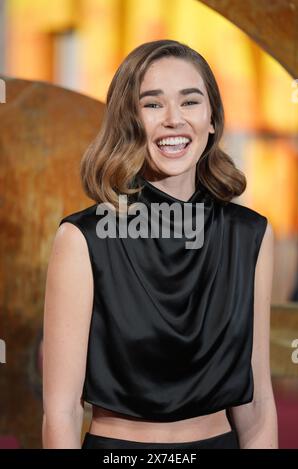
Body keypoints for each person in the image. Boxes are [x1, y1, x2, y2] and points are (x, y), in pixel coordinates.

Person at [42, 39, 278, 449]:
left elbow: (256, 405)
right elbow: (61, 412)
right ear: (128, 121)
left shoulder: (249, 235)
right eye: (152, 104)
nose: (174, 120)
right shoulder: (83, 239)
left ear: (211, 119)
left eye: (190, 102)